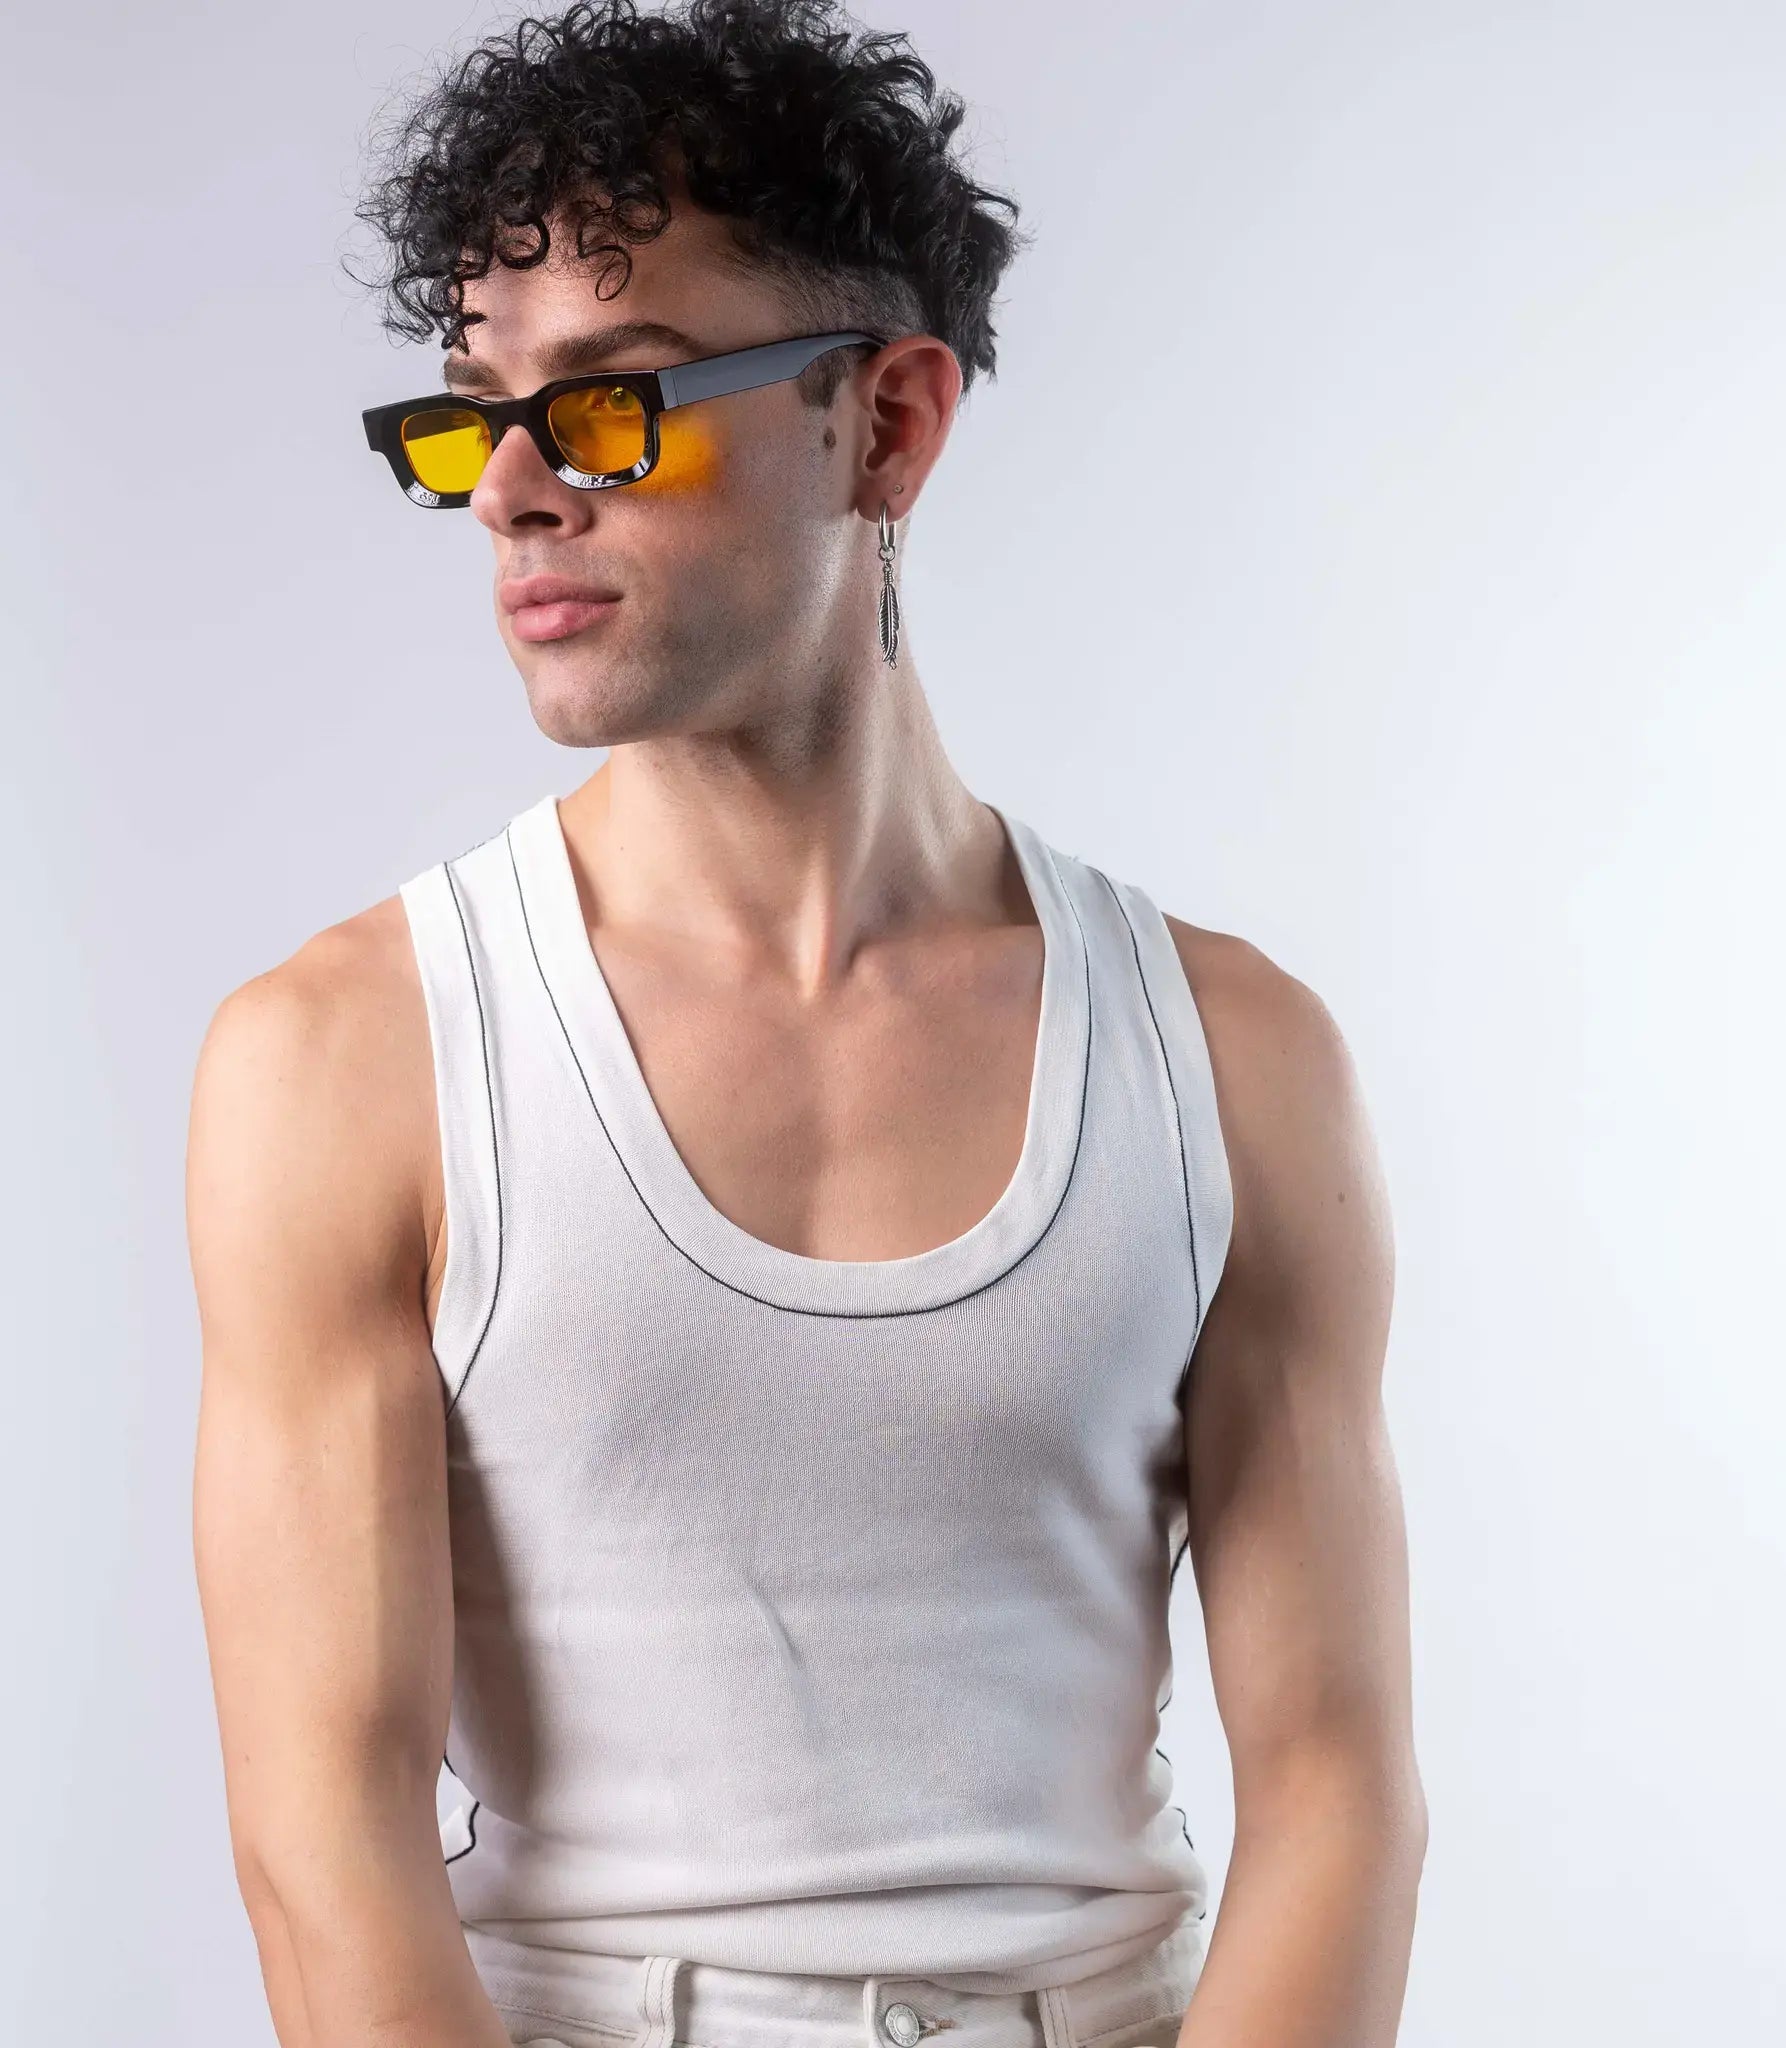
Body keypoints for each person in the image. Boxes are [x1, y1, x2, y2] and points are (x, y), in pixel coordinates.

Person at [184, 3, 1424, 2044]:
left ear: (887, 423)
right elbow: (321, 1838)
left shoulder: (1234, 1057)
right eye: (475, 413)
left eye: (610, 404)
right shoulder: (345, 1057)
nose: (506, 492)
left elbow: (1337, 1792)